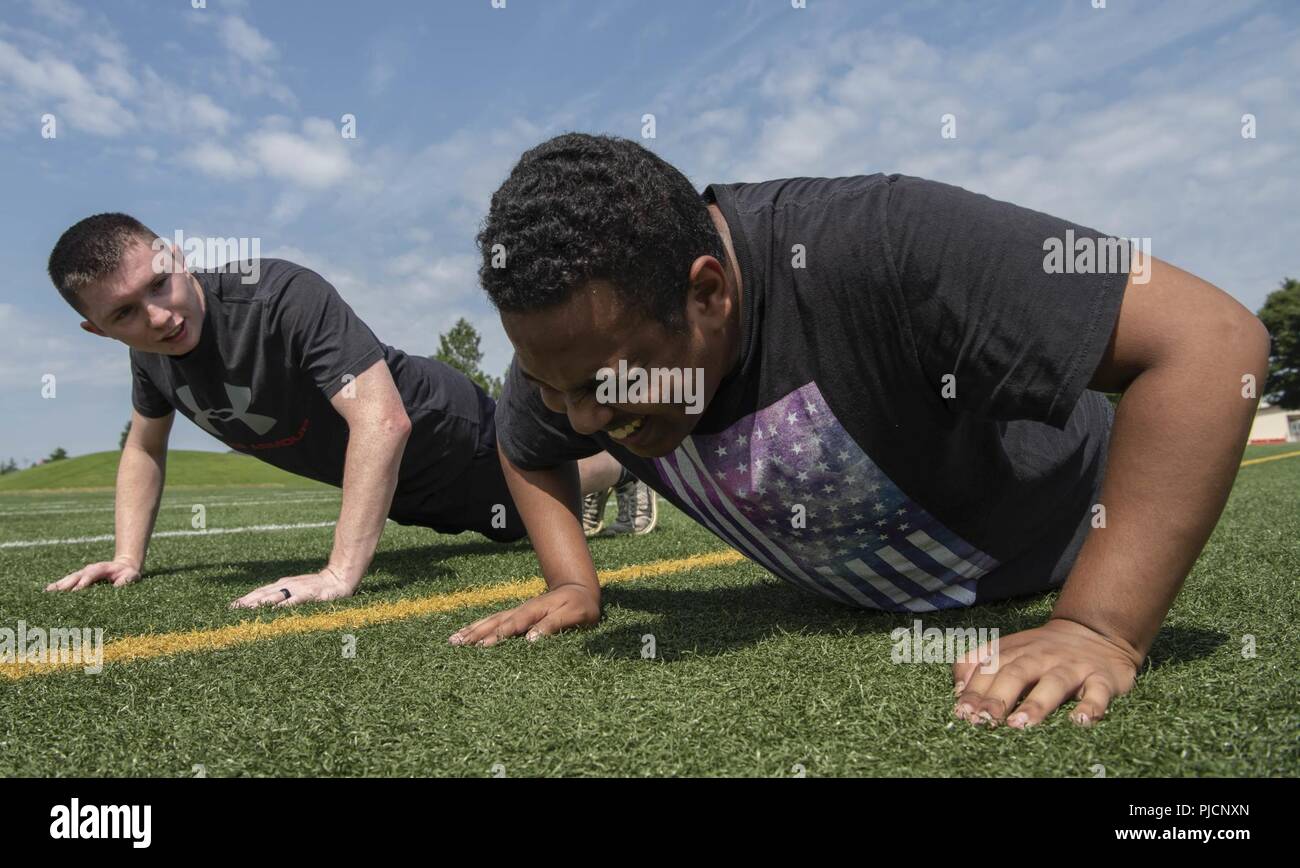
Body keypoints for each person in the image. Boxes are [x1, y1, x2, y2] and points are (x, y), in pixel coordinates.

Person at [448, 133, 1269, 730]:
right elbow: (525, 445)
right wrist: (572, 582)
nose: (587, 418)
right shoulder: (570, 356)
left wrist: (1098, 626)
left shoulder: (881, 240)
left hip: (1060, 544)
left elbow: (1211, 342)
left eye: (604, 385)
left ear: (707, 296)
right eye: (559, 391)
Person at [42, 213, 653, 609]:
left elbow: (382, 420)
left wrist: (338, 575)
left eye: (159, 283)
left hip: (445, 431)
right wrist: (127, 556)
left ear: (174, 254)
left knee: (530, 500)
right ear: (96, 330)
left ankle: (622, 472)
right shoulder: (148, 358)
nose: (159, 316)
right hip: (392, 485)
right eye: (123, 314)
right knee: (501, 529)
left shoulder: (278, 294)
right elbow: (144, 446)